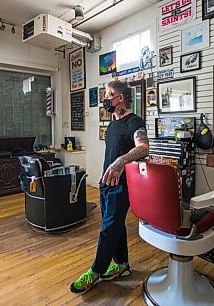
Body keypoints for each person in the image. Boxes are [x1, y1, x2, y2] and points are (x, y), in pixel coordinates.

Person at [69, 81, 149, 295]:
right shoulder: (112, 124)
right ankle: (121, 264)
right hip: (106, 183)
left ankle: (95, 272)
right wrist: (104, 174)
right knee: (115, 226)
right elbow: (111, 153)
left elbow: (143, 148)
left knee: (108, 229)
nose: (105, 98)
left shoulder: (134, 122)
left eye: (109, 94)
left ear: (120, 98)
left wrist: (120, 162)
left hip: (122, 186)